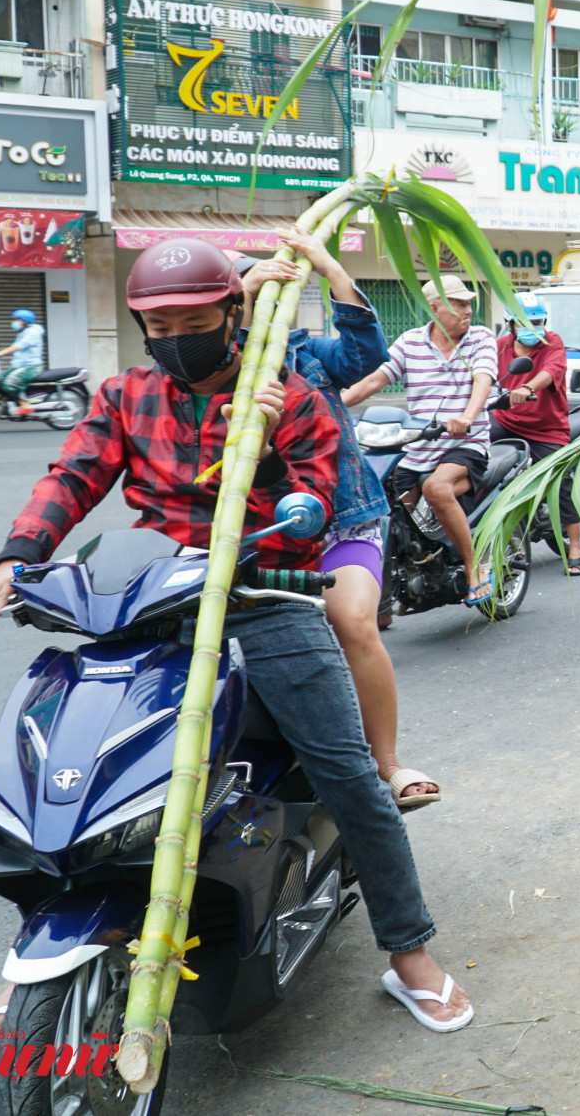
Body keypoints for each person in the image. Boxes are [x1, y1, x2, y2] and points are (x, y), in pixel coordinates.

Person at [0, 237, 471, 1033]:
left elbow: (310, 502)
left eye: (191, 318)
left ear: (232, 311)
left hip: (265, 592)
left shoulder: (290, 396)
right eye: (156, 322)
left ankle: (409, 951)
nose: (173, 335)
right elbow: (73, 475)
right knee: (71, 769)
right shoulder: (125, 395)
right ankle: (46, 943)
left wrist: (267, 453)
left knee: (348, 773)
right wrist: (17, 557)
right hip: (159, 594)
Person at [234, 235, 440, 810]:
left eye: (278, 292)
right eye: (253, 293)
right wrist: (241, 296)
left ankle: (389, 764)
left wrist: (327, 266)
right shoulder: (219, 368)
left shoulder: (312, 354)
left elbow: (367, 353)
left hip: (345, 522)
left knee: (352, 621)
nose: (268, 301)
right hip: (257, 537)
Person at [345, 275, 498, 607]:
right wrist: (332, 405)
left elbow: (483, 381)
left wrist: (468, 418)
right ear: (435, 307)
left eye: (468, 303)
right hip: (418, 447)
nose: (467, 310)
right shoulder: (410, 342)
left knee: (437, 489)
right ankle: (384, 598)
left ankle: (474, 568)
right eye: (458, 304)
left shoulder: (481, 338)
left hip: (465, 444)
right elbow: (375, 380)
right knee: (386, 504)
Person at [490, 316, 580, 575]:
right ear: (510, 324)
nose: (532, 326)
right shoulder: (499, 346)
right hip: (506, 421)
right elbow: (482, 374)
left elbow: (550, 371)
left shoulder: (552, 342)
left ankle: (575, 545)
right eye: (524, 322)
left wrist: (526, 388)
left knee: (559, 480)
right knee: (475, 459)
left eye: (537, 320)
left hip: (547, 428)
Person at [0, 308, 47, 413]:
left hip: (30, 367)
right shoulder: (22, 332)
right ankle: (10, 403)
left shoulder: (32, 333)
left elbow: (18, 346)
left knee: (9, 383)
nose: (14, 322)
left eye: (17, 320)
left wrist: (0, 353)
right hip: (19, 367)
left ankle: (25, 405)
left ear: (25, 321)